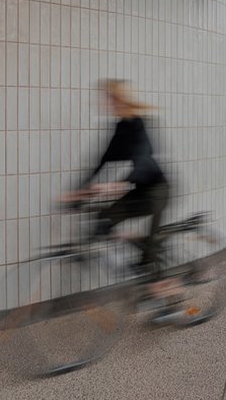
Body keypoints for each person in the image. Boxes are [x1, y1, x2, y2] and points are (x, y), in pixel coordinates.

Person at [60, 80, 179, 311]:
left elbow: (144, 160)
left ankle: (168, 300)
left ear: (121, 99)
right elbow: (100, 162)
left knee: (150, 255)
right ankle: (136, 242)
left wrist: (119, 185)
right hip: (139, 191)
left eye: (110, 98)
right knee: (103, 221)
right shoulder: (119, 128)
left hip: (157, 190)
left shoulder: (139, 124)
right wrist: (77, 191)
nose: (106, 103)